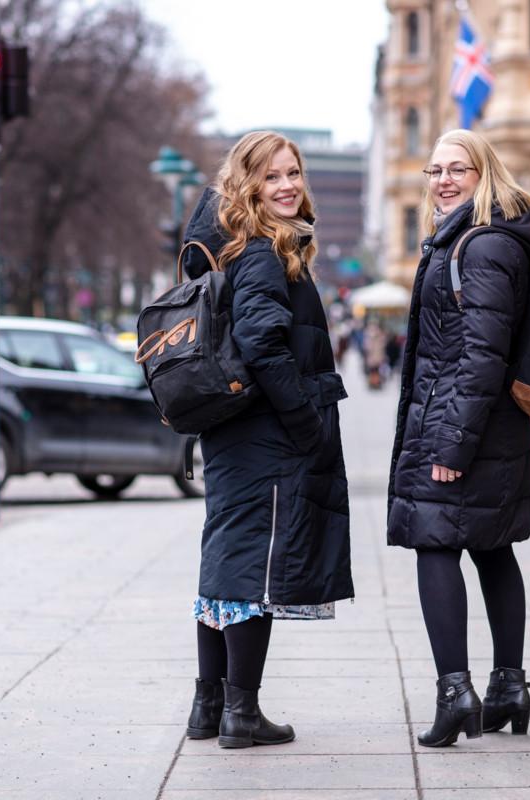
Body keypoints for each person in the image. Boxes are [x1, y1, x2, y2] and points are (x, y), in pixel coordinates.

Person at [180, 131, 353, 749]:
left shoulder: (238, 247)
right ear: (247, 184)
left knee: (225, 562)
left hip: (235, 434)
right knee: (254, 569)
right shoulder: (260, 252)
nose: (287, 186)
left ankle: (209, 706)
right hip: (267, 435)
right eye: (272, 176)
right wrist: (305, 419)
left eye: (294, 173)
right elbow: (262, 344)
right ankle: (242, 713)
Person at [388, 129, 530, 748]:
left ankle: (456, 693)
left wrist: (453, 444)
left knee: (437, 546)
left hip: (465, 426)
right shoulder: (467, 239)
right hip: (482, 422)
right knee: (491, 548)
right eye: (435, 170)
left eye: (458, 169)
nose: (444, 180)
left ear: (485, 173)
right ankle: (509, 687)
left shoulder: (482, 247)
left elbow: (483, 355)